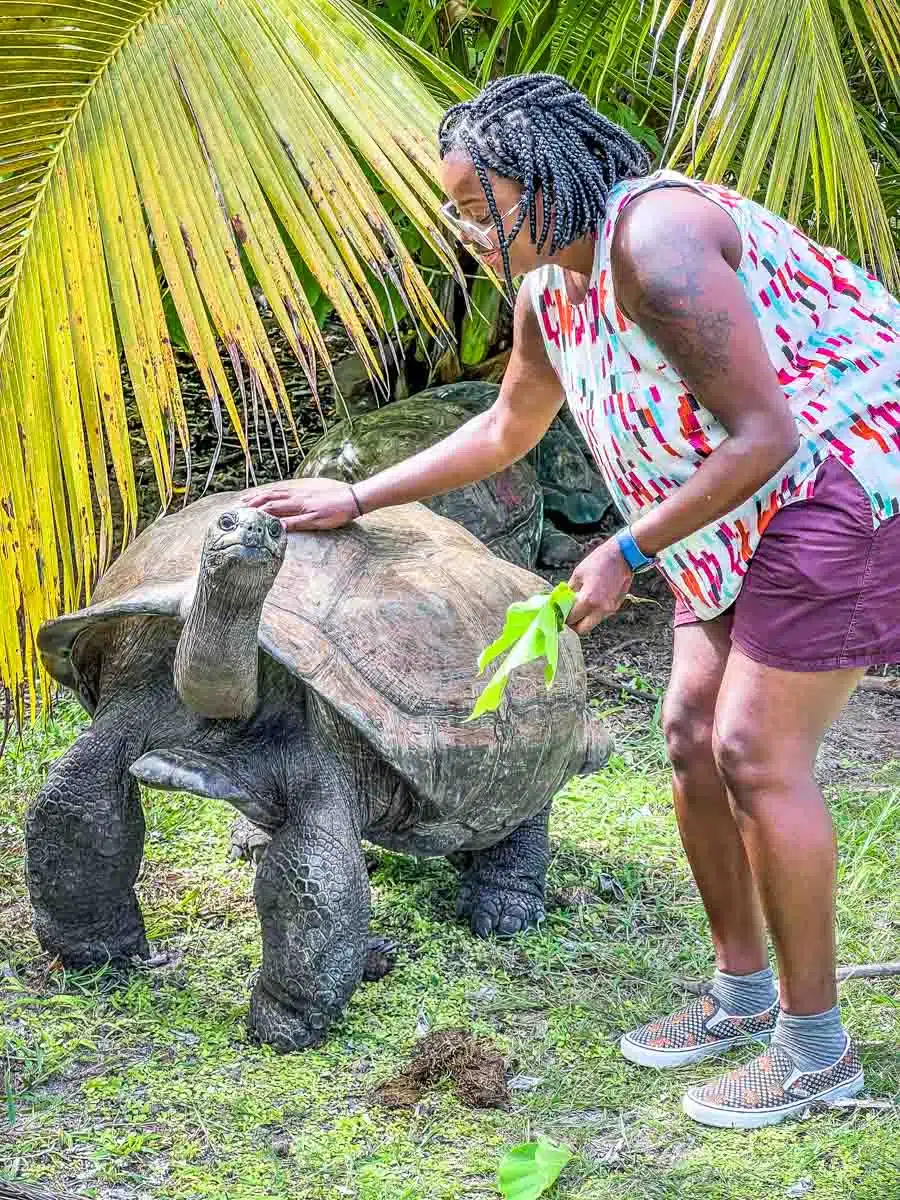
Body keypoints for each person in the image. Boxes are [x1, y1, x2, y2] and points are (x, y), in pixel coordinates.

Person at [243, 73, 900, 1128]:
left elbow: (769, 433)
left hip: (841, 481)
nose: (466, 232)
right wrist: (356, 494)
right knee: (689, 735)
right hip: (733, 505)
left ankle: (817, 1053)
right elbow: (507, 427)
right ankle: (740, 995)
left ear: (545, 181)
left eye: (479, 206)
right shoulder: (549, 290)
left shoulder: (659, 244)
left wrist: (623, 551)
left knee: (752, 752)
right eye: (457, 211)